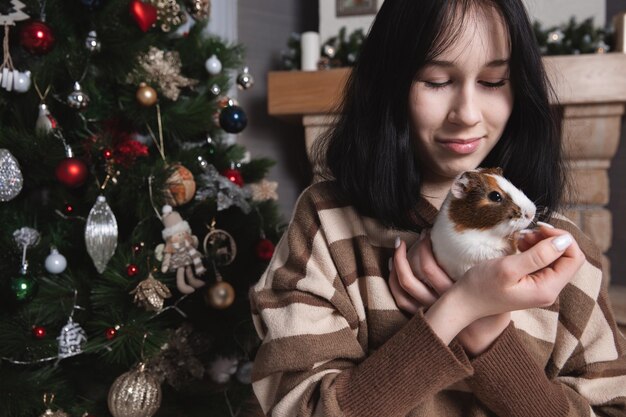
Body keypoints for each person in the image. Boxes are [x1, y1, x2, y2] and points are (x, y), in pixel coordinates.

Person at [249, 0, 626, 416]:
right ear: (391, 83)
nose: (466, 114)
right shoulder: (326, 225)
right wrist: (455, 311)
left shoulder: (564, 255)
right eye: (436, 80)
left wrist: (488, 337)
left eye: (494, 81)